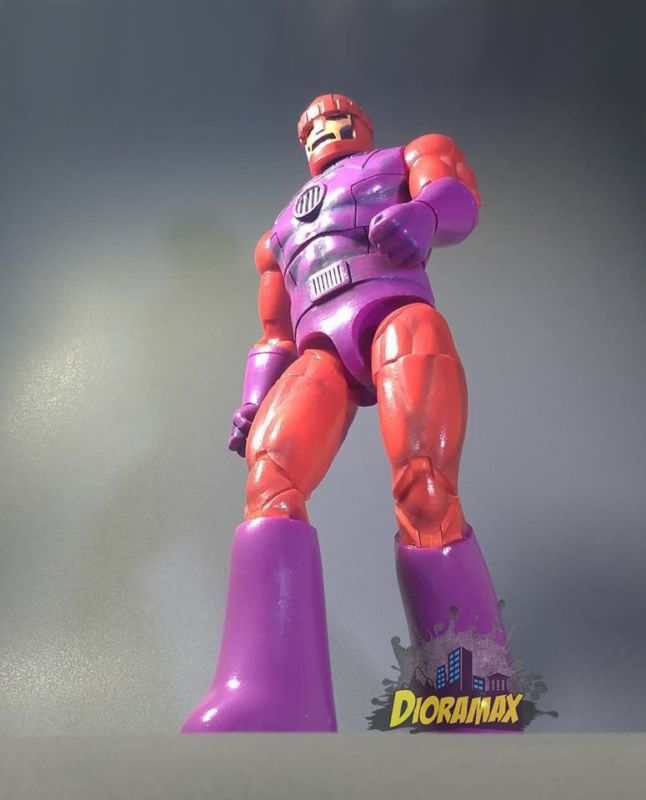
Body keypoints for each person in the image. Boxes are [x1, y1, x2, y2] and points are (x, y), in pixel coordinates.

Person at [182, 94, 505, 733]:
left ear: (363, 125)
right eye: (313, 126)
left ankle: (471, 702)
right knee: (270, 480)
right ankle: (273, 694)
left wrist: (424, 214)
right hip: (320, 349)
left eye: (339, 119)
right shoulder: (278, 236)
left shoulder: (406, 157)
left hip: (397, 315)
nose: (326, 129)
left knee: (426, 487)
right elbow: (274, 332)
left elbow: (456, 195)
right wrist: (254, 399)